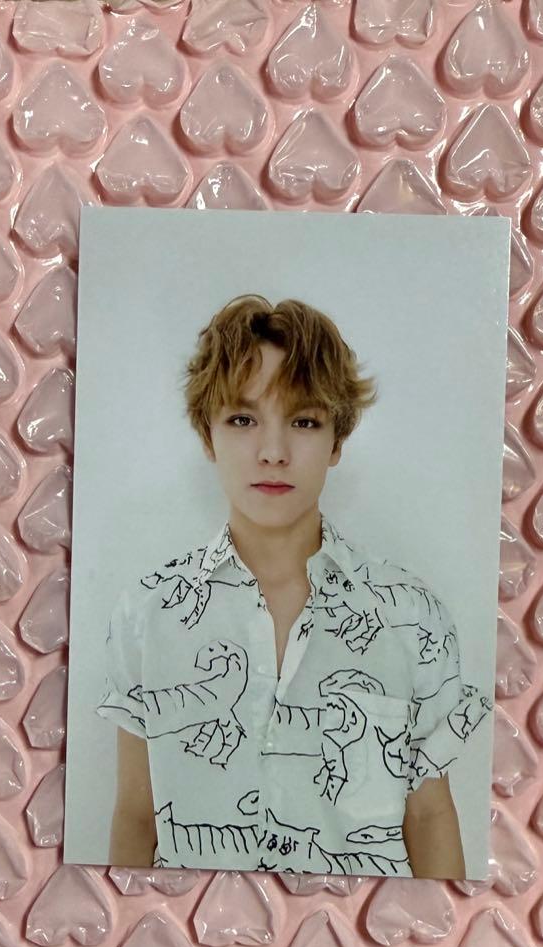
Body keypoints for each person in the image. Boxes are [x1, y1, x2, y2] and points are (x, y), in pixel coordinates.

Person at [97, 294, 488, 878]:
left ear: (337, 442)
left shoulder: (411, 617)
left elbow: (430, 815)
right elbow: (136, 815)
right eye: (243, 419)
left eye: (304, 422)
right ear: (207, 436)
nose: (274, 453)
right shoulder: (147, 614)